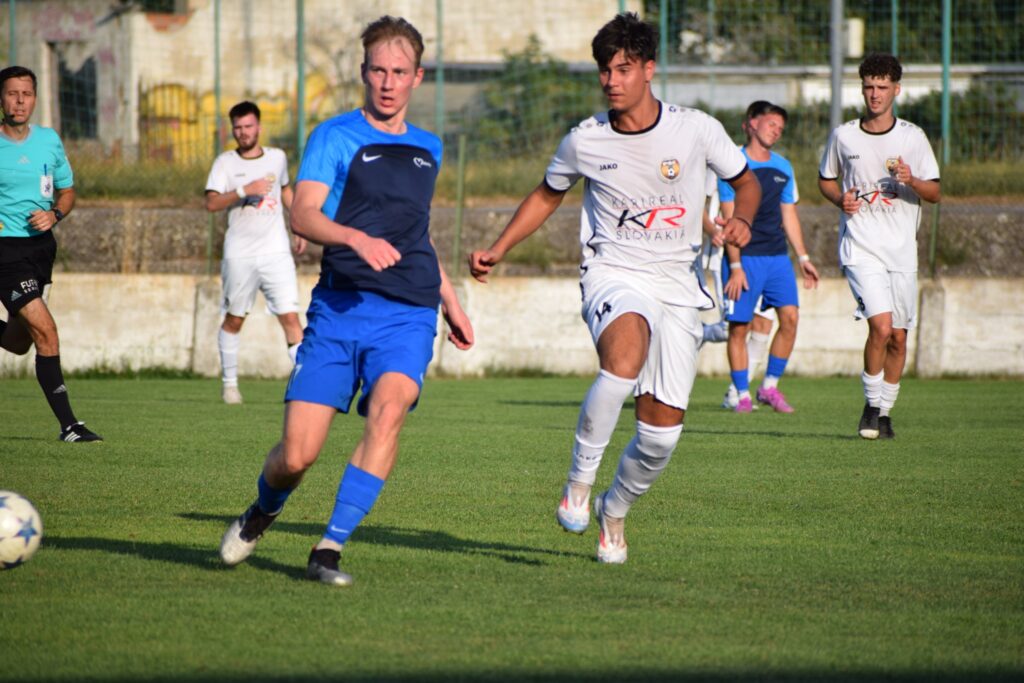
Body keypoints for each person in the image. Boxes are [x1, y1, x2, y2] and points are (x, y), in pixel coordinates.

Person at [469, 12, 759, 564]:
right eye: (604, 70)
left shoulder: (695, 129)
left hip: (680, 286)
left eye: (623, 68)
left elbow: (744, 182)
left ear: (649, 69)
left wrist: (742, 218)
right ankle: (578, 484)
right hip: (614, 272)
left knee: (660, 437)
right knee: (623, 357)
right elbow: (546, 194)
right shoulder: (585, 139)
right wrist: (499, 248)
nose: (611, 80)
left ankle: (615, 508)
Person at [219, 16, 474, 585]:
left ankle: (329, 547)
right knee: (296, 457)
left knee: (388, 414)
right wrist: (355, 237)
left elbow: (418, 234)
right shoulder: (334, 137)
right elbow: (305, 211)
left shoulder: (429, 147)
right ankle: (263, 511)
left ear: (417, 77)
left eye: (399, 72)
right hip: (338, 312)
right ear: (364, 73)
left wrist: (449, 299)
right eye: (378, 70)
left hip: (408, 312)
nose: (388, 82)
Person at [818, 53, 940, 439]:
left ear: (896, 90)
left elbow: (934, 192)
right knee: (881, 327)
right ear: (862, 88)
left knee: (899, 337)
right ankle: (871, 406)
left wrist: (912, 180)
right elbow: (826, 179)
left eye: (882, 87)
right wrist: (841, 200)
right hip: (860, 245)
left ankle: (885, 413)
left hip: (901, 250)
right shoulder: (844, 135)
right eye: (869, 87)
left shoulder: (912, 136)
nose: (874, 94)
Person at [0, 65, 101, 443]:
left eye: (26, 93)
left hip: (41, 250)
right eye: (12, 93)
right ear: (1, 99)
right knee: (47, 332)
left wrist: (55, 214)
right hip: (4, 250)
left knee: (19, 341)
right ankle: (70, 426)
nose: (19, 101)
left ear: (35, 99)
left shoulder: (48, 140)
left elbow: (68, 191)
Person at [719, 101, 819, 413]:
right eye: (770, 124)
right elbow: (729, 219)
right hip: (745, 258)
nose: (776, 131)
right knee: (739, 328)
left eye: (780, 127)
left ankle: (769, 388)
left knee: (789, 318)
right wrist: (735, 266)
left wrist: (802, 257)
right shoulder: (732, 164)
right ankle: (742, 395)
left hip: (777, 257)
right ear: (751, 123)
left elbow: (789, 216)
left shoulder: (784, 167)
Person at [204, 101, 306, 404]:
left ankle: (303, 386)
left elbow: (286, 191)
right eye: (238, 127)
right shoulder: (225, 163)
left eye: (248, 126)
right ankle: (230, 385)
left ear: (258, 127)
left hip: (276, 251)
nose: (243, 132)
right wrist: (243, 190)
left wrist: (299, 225)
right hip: (240, 253)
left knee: (290, 316)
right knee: (235, 318)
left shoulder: (277, 158)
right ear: (232, 129)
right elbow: (211, 203)